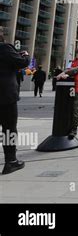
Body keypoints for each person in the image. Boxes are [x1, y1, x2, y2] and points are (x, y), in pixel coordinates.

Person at [0, 26, 30, 174]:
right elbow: (21, 63)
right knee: (8, 129)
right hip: (5, 96)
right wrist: (25, 55)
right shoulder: (5, 48)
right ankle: (10, 161)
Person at [56, 47, 78, 138]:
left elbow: (77, 70)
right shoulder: (71, 62)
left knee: (75, 109)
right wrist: (64, 73)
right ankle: (65, 126)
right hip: (67, 88)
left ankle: (74, 129)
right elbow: (67, 70)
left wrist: (64, 73)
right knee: (67, 108)